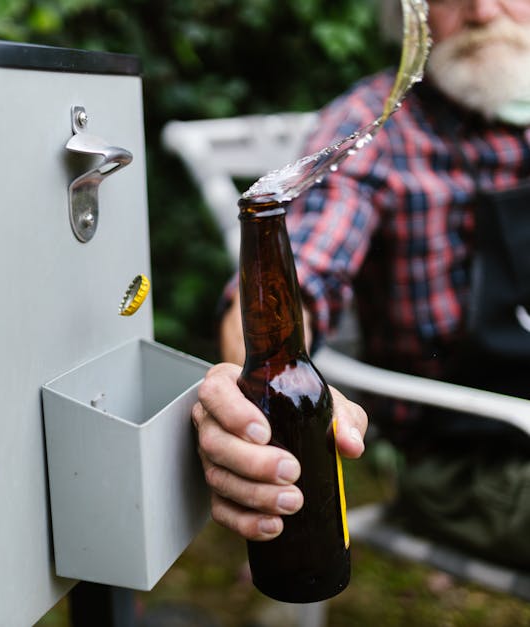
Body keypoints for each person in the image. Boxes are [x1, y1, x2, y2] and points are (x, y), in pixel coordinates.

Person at [194, 0, 530, 566]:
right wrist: (247, 401)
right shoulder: (376, 128)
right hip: (472, 455)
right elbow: (296, 277)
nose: (480, 11)